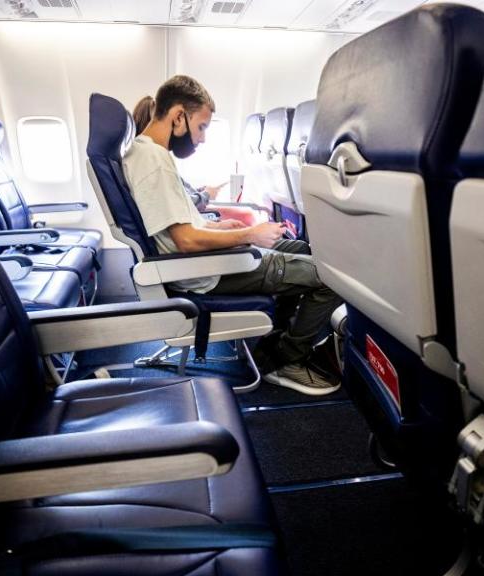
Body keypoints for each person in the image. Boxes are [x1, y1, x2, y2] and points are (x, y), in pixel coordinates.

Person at [123, 76, 343, 395]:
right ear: (179, 116)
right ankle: (284, 360)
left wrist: (223, 228)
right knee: (327, 277)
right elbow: (185, 241)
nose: (200, 140)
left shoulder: (148, 153)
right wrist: (249, 235)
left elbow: (181, 226)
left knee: (295, 246)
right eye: (201, 127)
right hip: (203, 272)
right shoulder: (154, 161)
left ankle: (273, 342)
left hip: (203, 263)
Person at [133, 95, 256, 227]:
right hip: (191, 217)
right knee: (247, 217)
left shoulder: (153, 155)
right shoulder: (153, 160)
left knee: (246, 217)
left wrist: (201, 191)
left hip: (193, 215)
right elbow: (181, 204)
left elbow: (177, 194)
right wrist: (207, 195)